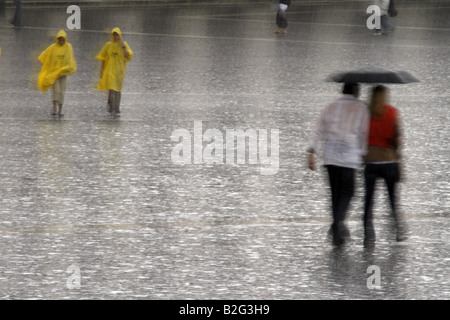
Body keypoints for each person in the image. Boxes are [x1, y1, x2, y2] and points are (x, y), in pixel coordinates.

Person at [307, 83, 369, 246]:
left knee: (335, 194)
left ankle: (337, 229)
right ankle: (338, 224)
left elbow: (318, 130)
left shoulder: (331, 105)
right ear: (357, 92)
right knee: (348, 192)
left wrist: (311, 152)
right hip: (349, 156)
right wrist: (363, 155)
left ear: (343, 90)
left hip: (330, 155)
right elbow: (364, 134)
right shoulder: (362, 108)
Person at [363, 85, 407, 245]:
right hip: (389, 160)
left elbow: (361, 135)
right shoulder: (393, 113)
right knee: (392, 199)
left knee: (369, 200)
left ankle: (368, 234)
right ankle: (399, 231)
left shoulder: (365, 113)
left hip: (371, 161)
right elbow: (398, 140)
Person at [37, 30, 77, 117]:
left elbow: (71, 59)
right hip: (54, 75)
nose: (61, 41)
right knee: (56, 91)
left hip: (63, 75)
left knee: (62, 92)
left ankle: (60, 110)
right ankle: (54, 108)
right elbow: (45, 55)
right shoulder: (53, 48)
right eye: (60, 40)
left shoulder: (68, 47)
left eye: (63, 40)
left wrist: (68, 68)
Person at [96, 27, 133, 117]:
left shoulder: (124, 45)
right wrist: (102, 71)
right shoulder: (108, 45)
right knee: (112, 89)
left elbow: (128, 56)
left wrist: (123, 46)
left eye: (117, 35)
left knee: (117, 90)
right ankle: (112, 108)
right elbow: (103, 59)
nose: (116, 37)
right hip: (109, 71)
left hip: (119, 72)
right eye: (114, 35)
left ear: (120, 36)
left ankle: (116, 108)